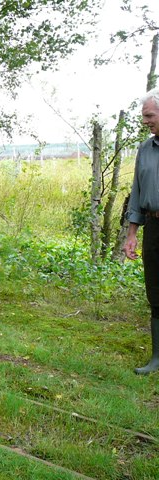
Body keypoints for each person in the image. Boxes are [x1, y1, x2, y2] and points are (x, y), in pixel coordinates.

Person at [124, 87, 159, 374]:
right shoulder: (145, 149)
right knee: (156, 292)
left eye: (149, 116)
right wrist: (132, 234)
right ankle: (157, 358)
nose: (145, 121)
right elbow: (136, 192)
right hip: (154, 227)